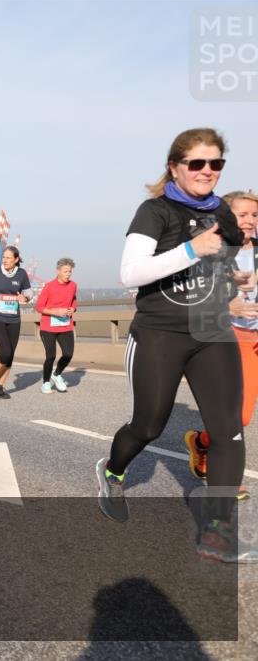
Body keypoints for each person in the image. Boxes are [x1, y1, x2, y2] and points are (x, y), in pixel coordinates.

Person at [94, 128, 254, 562]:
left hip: (212, 331)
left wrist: (233, 279)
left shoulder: (221, 210)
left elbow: (220, 261)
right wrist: (190, 247)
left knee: (229, 431)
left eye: (215, 163)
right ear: (175, 166)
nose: (207, 171)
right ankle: (113, 470)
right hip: (160, 333)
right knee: (148, 425)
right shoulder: (154, 211)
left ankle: (218, 534)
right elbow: (131, 274)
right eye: (197, 163)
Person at [183, 190, 258, 501]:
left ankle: (202, 442)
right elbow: (190, 302)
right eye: (242, 214)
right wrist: (228, 308)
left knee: (240, 416)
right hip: (227, 339)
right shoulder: (211, 253)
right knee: (236, 417)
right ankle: (227, 476)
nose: (250, 221)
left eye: (254, 215)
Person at [0, 246, 32, 400]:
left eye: (9, 258)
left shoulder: (21, 274)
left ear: (16, 259)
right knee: (5, 352)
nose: (5, 260)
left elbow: (28, 292)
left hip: (14, 318)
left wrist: (25, 298)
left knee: (10, 355)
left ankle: (0, 386)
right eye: (4, 257)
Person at [35, 258, 78, 394]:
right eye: (65, 271)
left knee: (68, 354)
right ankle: (46, 383)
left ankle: (57, 374)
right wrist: (55, 312)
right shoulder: (49, 287)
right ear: (57, 271)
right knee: (51, 356)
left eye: (70, 272)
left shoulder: (73, 285)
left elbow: (74, 300)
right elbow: (39, 307)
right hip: (48, 327)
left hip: (65, 326)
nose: (68, 274)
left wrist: (73, 309)